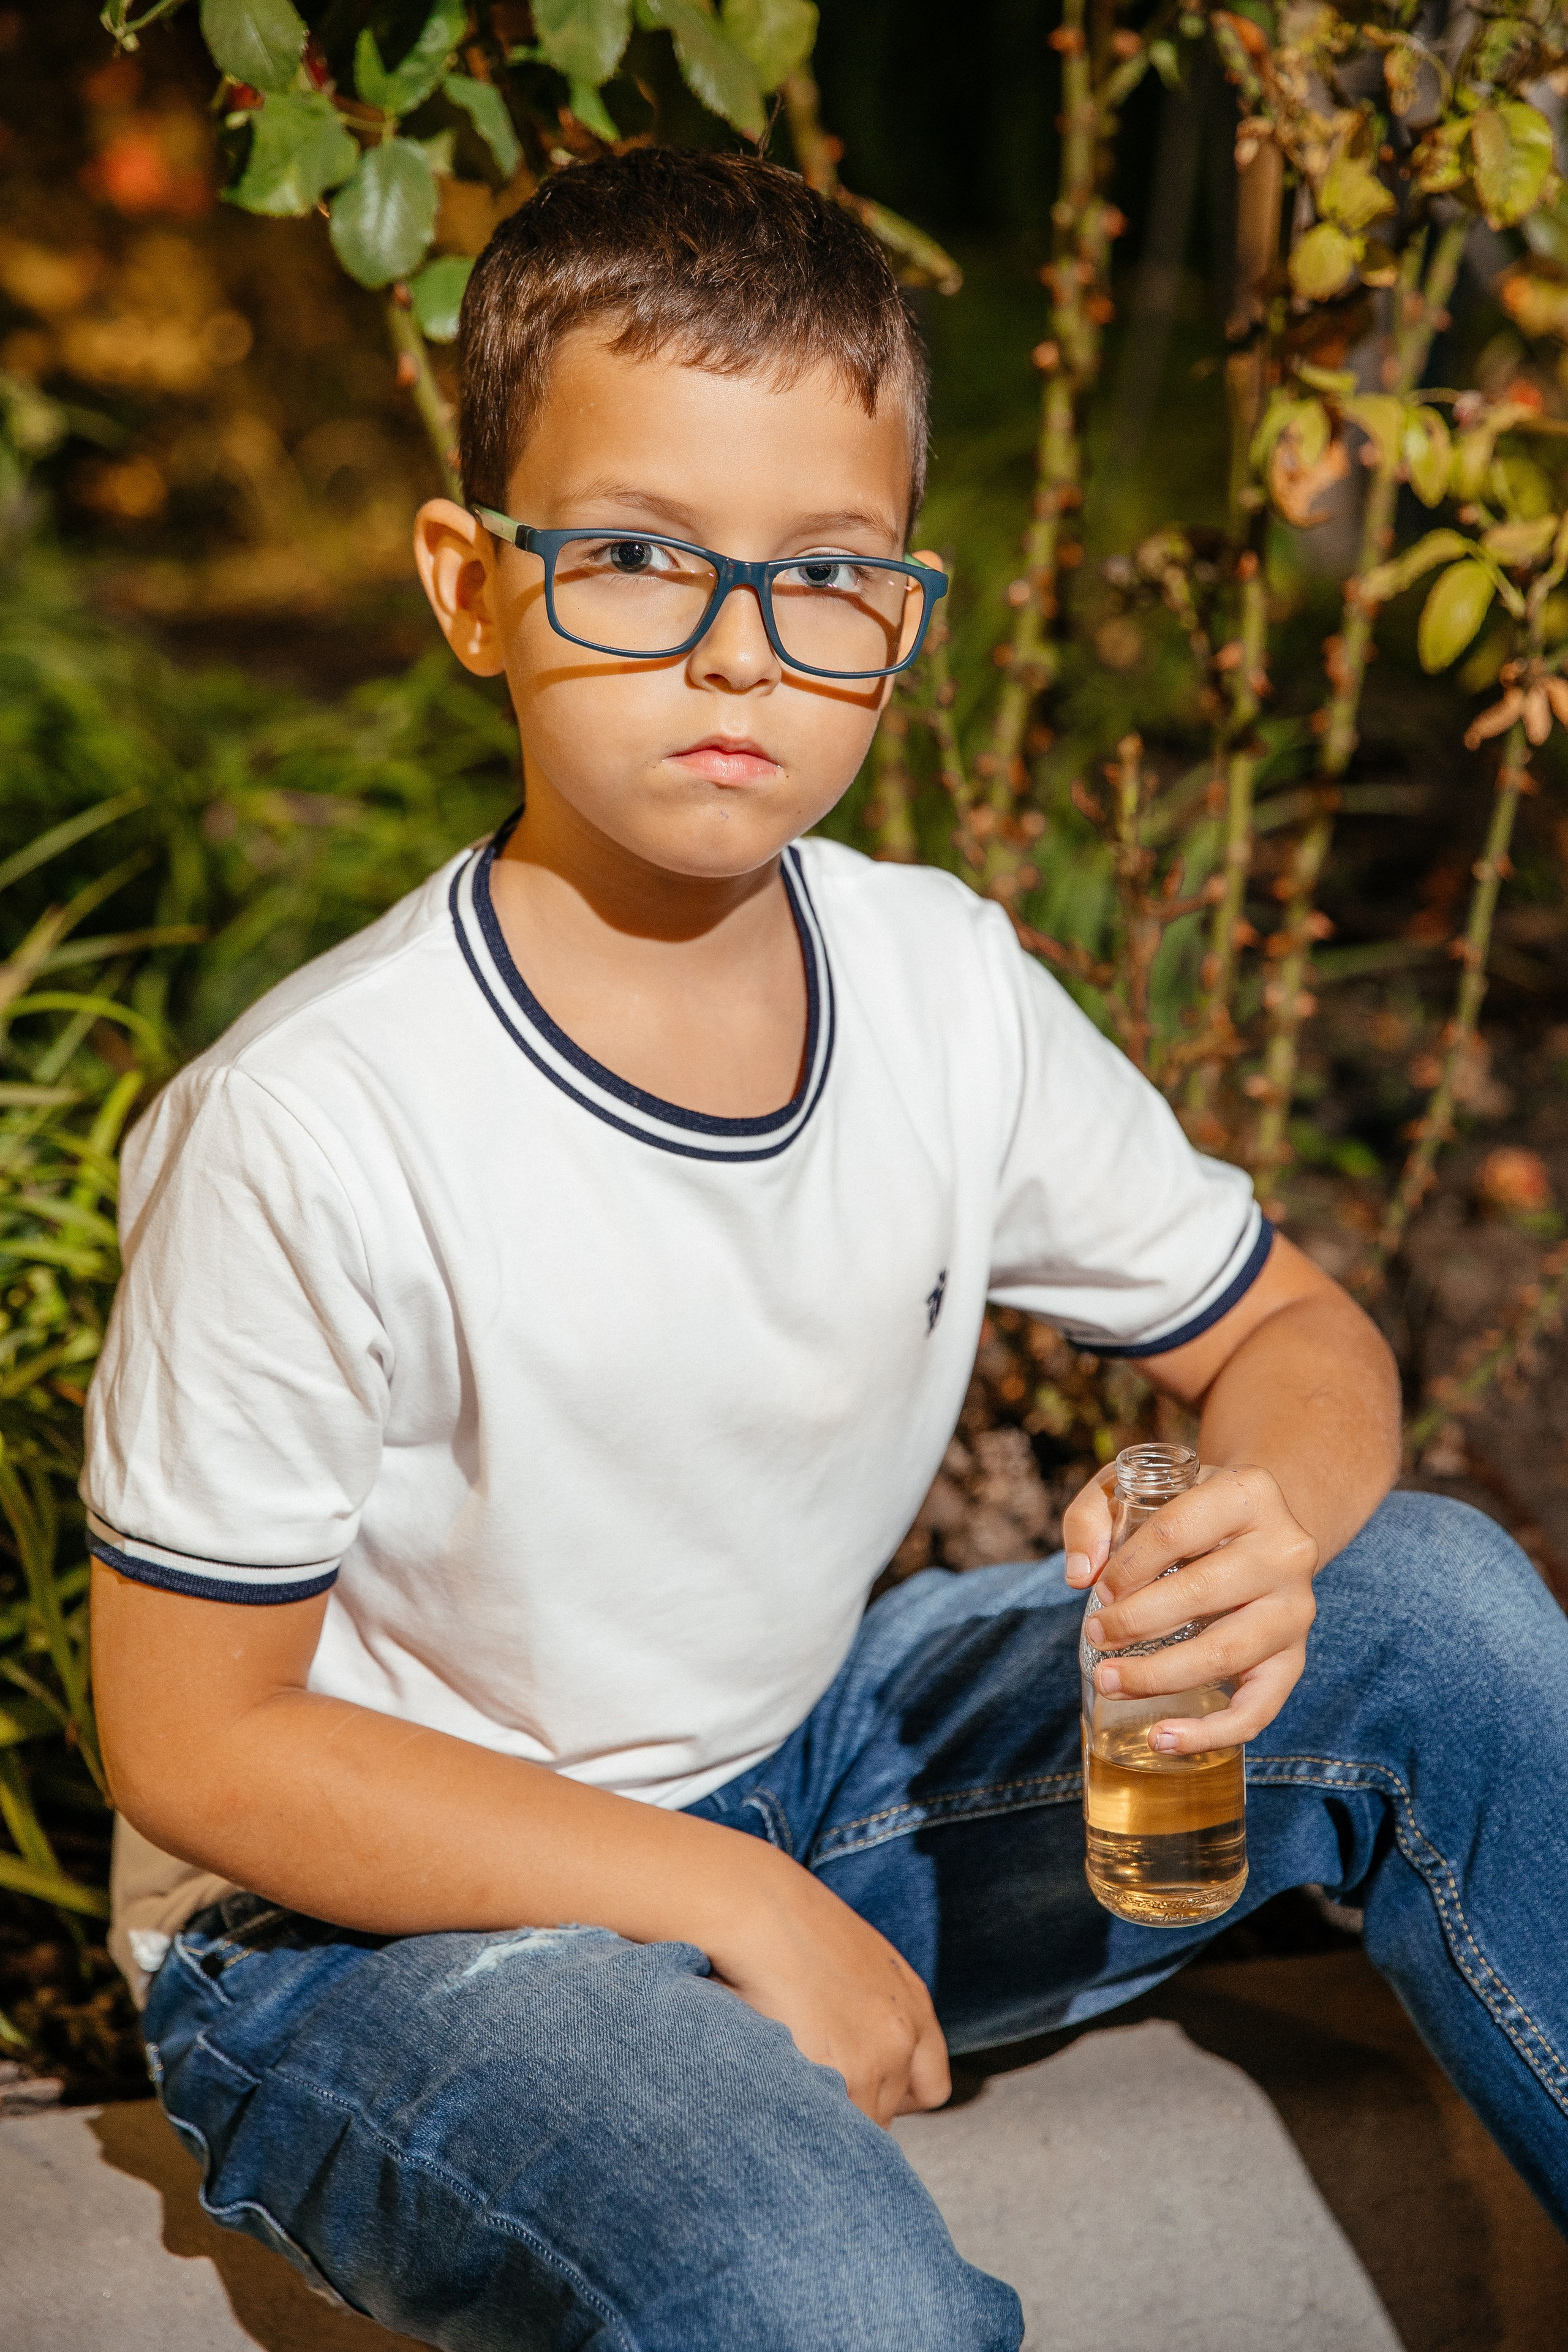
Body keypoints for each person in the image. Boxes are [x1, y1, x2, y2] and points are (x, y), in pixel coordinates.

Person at [87, 148, 1568, 2351]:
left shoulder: (937, 984)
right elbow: (201, 1751)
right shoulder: (318, 1123)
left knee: (1434, 1603)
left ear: (906, 613)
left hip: (809, 1773)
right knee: (809, 2293)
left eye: (828, 575)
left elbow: (1288, 1324)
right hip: (366, 1941)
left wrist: (1268, 1523)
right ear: (473, 582)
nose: (739, 653)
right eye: (636, 559)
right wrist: (723, 1898)